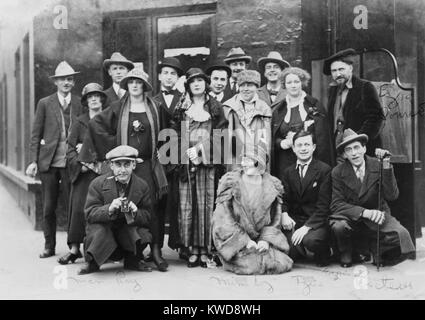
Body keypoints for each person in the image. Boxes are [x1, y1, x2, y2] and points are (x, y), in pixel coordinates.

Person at [78, 66, 169, 271]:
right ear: (127, 85)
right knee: (121, 205)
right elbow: (96, 125)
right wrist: (115, 148)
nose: (135, 86)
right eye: (131, 82)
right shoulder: (118, 107)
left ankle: (155, 251)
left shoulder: (156, 106)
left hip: (148, 165)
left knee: (151, 207)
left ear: (144, 86)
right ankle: (125, 252)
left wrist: (164, 150)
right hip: (125, 166)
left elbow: (168, 131)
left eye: (139, 83)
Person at [330, 129, 416, 267]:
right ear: (345, 154)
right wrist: (365, 213)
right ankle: (348, 251)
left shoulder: (378, 164)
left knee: (402, 236)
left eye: (357, 147)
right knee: (339, 226)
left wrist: (386, 164)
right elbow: (336, 204)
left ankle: (375, 249)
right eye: (349, 149)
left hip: (378, 215)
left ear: (364, 148)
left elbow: (392, 196)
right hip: (353, 218)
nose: (354, 153)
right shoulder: (337, 172)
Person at [26, 61, 83, 258]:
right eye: (62, 79)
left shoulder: (79, 102)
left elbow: (84, 129)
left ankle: (73, 247)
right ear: (56, 82)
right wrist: (33, 161)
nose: (66, 82)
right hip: (48, 163)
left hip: (70, 163)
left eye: (70, 79)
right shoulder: (44, 103)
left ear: (73, 82)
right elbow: (35, 134)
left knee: (72, 206)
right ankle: (49, 246)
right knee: (49, 207)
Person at [172, 67, 227, 268]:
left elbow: (221, 134)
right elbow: (175, 133)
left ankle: (205, 249)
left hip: (208, 163)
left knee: (206, 204)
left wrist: (201, 150)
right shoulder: (182, 107)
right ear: (188, 85)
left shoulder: (215, 107)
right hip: (187, 164)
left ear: (205, 84)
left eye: (200, 81)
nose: (197, 84)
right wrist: (186, 152)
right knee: (189, 205)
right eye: (193, 81)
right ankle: (191, 250)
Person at [212, 141, 293, 275]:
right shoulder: (230, 183)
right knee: (251, 265)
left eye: (249, 160)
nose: (244, 163)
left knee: (282, 263)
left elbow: (276, 219)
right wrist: (245, 241)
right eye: (243, 159)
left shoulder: (273, 185)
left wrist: (265, 240)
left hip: (260, 239)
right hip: (236, 242)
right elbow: (222, 218)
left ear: (259, 162)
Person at [78, 145, 153, 274]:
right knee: (97, 231)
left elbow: (148, 216)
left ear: (134, 165)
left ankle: (133, 260)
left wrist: (136, 212)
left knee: (143, 233)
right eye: (118, 165)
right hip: (105, 231)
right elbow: (89, 214)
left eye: (127, 165)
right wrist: (109, 209)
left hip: (126, 231)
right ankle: (93, 262)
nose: (122, 170)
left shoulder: (142, 186)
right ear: (111, 166)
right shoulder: (98, 184)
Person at [58, 83, 105, 265]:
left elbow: (111, 144)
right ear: (86, 101)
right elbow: (70, 149)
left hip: (102, 174)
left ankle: (100, 250)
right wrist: (81, 165)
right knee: (78, 209)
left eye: (96, 96)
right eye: (89, 97)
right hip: (83, 174)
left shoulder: (109, 119)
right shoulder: (79, 121)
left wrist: (86, 149)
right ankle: (75, 249)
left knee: (101, 210)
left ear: (101, 98)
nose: (93, 99)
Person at [323, 48, 385, 164]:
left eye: (341, 69)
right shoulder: (332, 91)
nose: (338, 74)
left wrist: (357, 141)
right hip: (338, 151)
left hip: (361, 151)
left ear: (350, 68)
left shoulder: (365, 87)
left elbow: (377, 118)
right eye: (334, 71)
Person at [280, 130, 332, 267]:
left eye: (307, 145)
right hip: (295, 221)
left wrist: (306, 228)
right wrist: (284, 213)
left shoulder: (324, 170)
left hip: (316, 221)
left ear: (313, 147)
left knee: (312, 241)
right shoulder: (288, 172)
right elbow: (284, 198)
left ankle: (324, 250)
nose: (303, 148)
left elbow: (324, 207)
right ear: (293, 148)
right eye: (299, 145)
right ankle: (298, 249)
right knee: (288, 251)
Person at [271, 67, 332, 182]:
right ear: (284, 85)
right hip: (285, 162)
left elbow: (322, 137)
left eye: (296, 82)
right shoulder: (279, 109)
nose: (293, 85)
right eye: (289, 82)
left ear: (302, 83)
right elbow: (274, 137)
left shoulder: (314, 105)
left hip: (309, 159)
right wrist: (282, 143)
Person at [152, 57, 184, 259]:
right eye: (166, 73)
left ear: (178, 78)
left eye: (173, 73)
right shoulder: (152, 100)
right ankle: (156, 248)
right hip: (159, 158)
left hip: (180, 158)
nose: (169, 77)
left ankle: (181, 245)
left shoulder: (186, 99)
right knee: (157, 202)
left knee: (180, 201)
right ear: (159, 76)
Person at [222, 70, 272, 171]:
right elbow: (223, 138)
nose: (245, 89)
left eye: (249, 85)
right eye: (242, 85)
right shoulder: (228, 107)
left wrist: (257, 158)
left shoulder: (264, 108)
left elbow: (266, 139)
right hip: (235, 159)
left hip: (257, 159)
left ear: (257, 87)